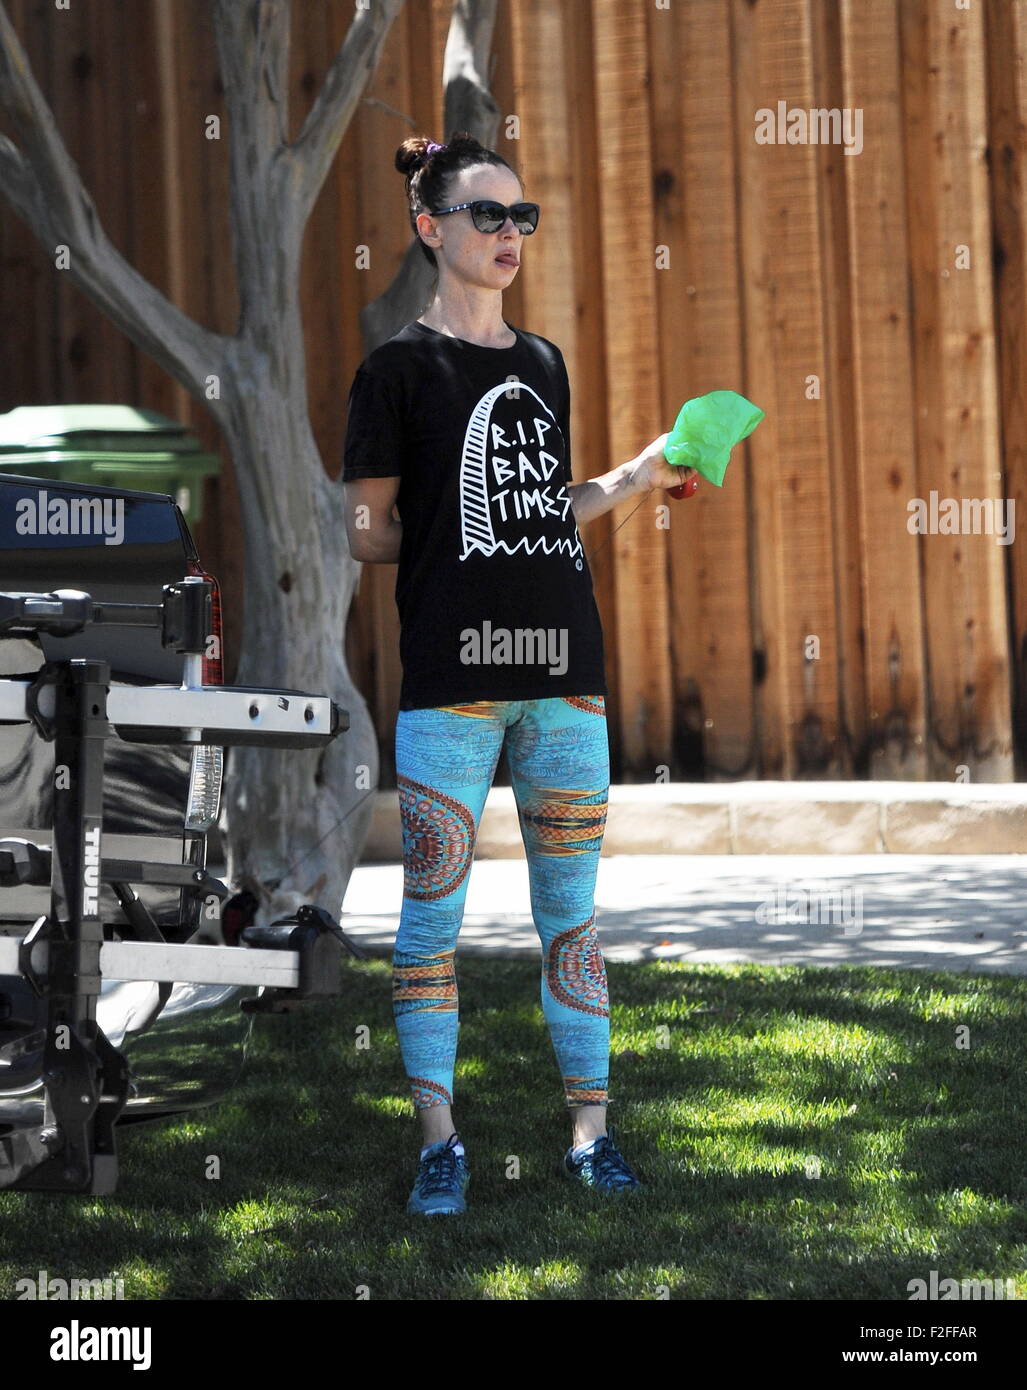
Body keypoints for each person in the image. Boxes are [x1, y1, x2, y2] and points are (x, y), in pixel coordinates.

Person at [342, 131, 695, 1216]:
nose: (509, 234)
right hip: (455, 676)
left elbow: (549, 508)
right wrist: (458, 543)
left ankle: (592, 1136)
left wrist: (637, 474)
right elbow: (367, 533)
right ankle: (439, 1142)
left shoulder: (542, 363)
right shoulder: (396, 368)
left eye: (521, 216)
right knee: (428, 921)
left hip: (565, 675)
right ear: (429, 227)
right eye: (487, 215)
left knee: (571, 919)